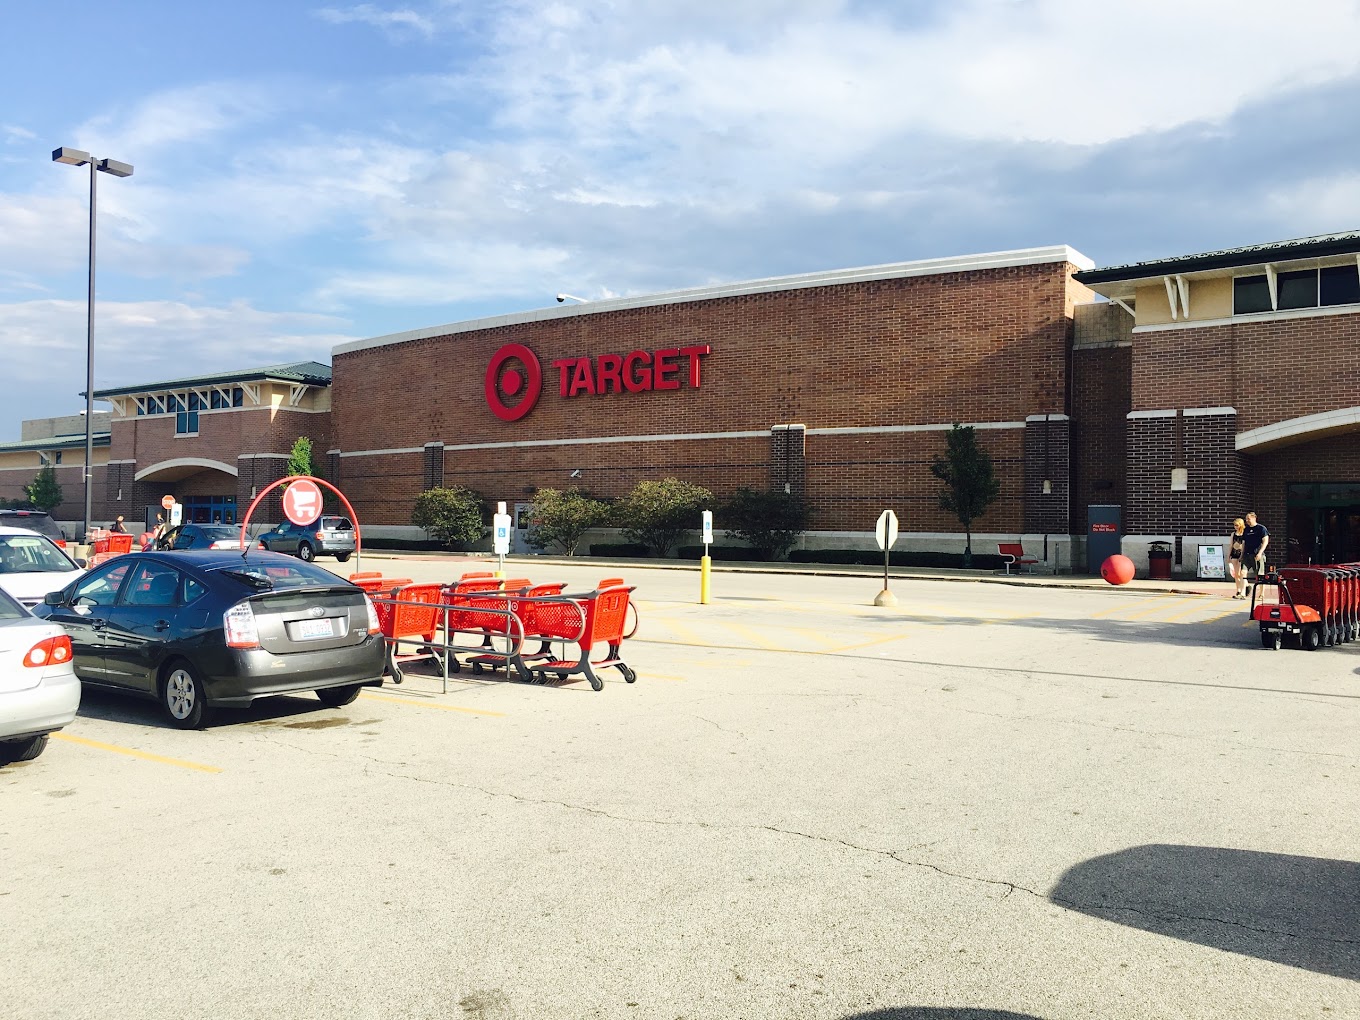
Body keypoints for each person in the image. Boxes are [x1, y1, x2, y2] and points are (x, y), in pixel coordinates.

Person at [1242, 510, 1270, 588]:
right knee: (1242, 572)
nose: (1247, 521)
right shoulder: (1246, 530)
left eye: (1248, 519)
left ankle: (1261, 593)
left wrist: (1260, 552)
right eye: (1246, 519)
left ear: (1254, 518)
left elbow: (1265, 541)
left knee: (1260, 575)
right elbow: (1244, 543)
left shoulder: (1261, 528)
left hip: (1257, 554)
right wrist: (1241, 554)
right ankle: (1245, 589)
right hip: (1247, 554)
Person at [1227, 517, 1246, 598]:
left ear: (1241, 525)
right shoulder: (1233, 534)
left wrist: (1242, 554)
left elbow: (1244, 545)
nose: (1236, 527)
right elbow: (1231, 545)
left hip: (1241, 553)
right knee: (1236, 573)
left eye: (1237, 525)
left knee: (1242, 573)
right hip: (1234, 553)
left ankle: (1243, 590)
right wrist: (1228, 556)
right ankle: (1238, 589)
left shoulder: (1244, 534)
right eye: (1234, 525)